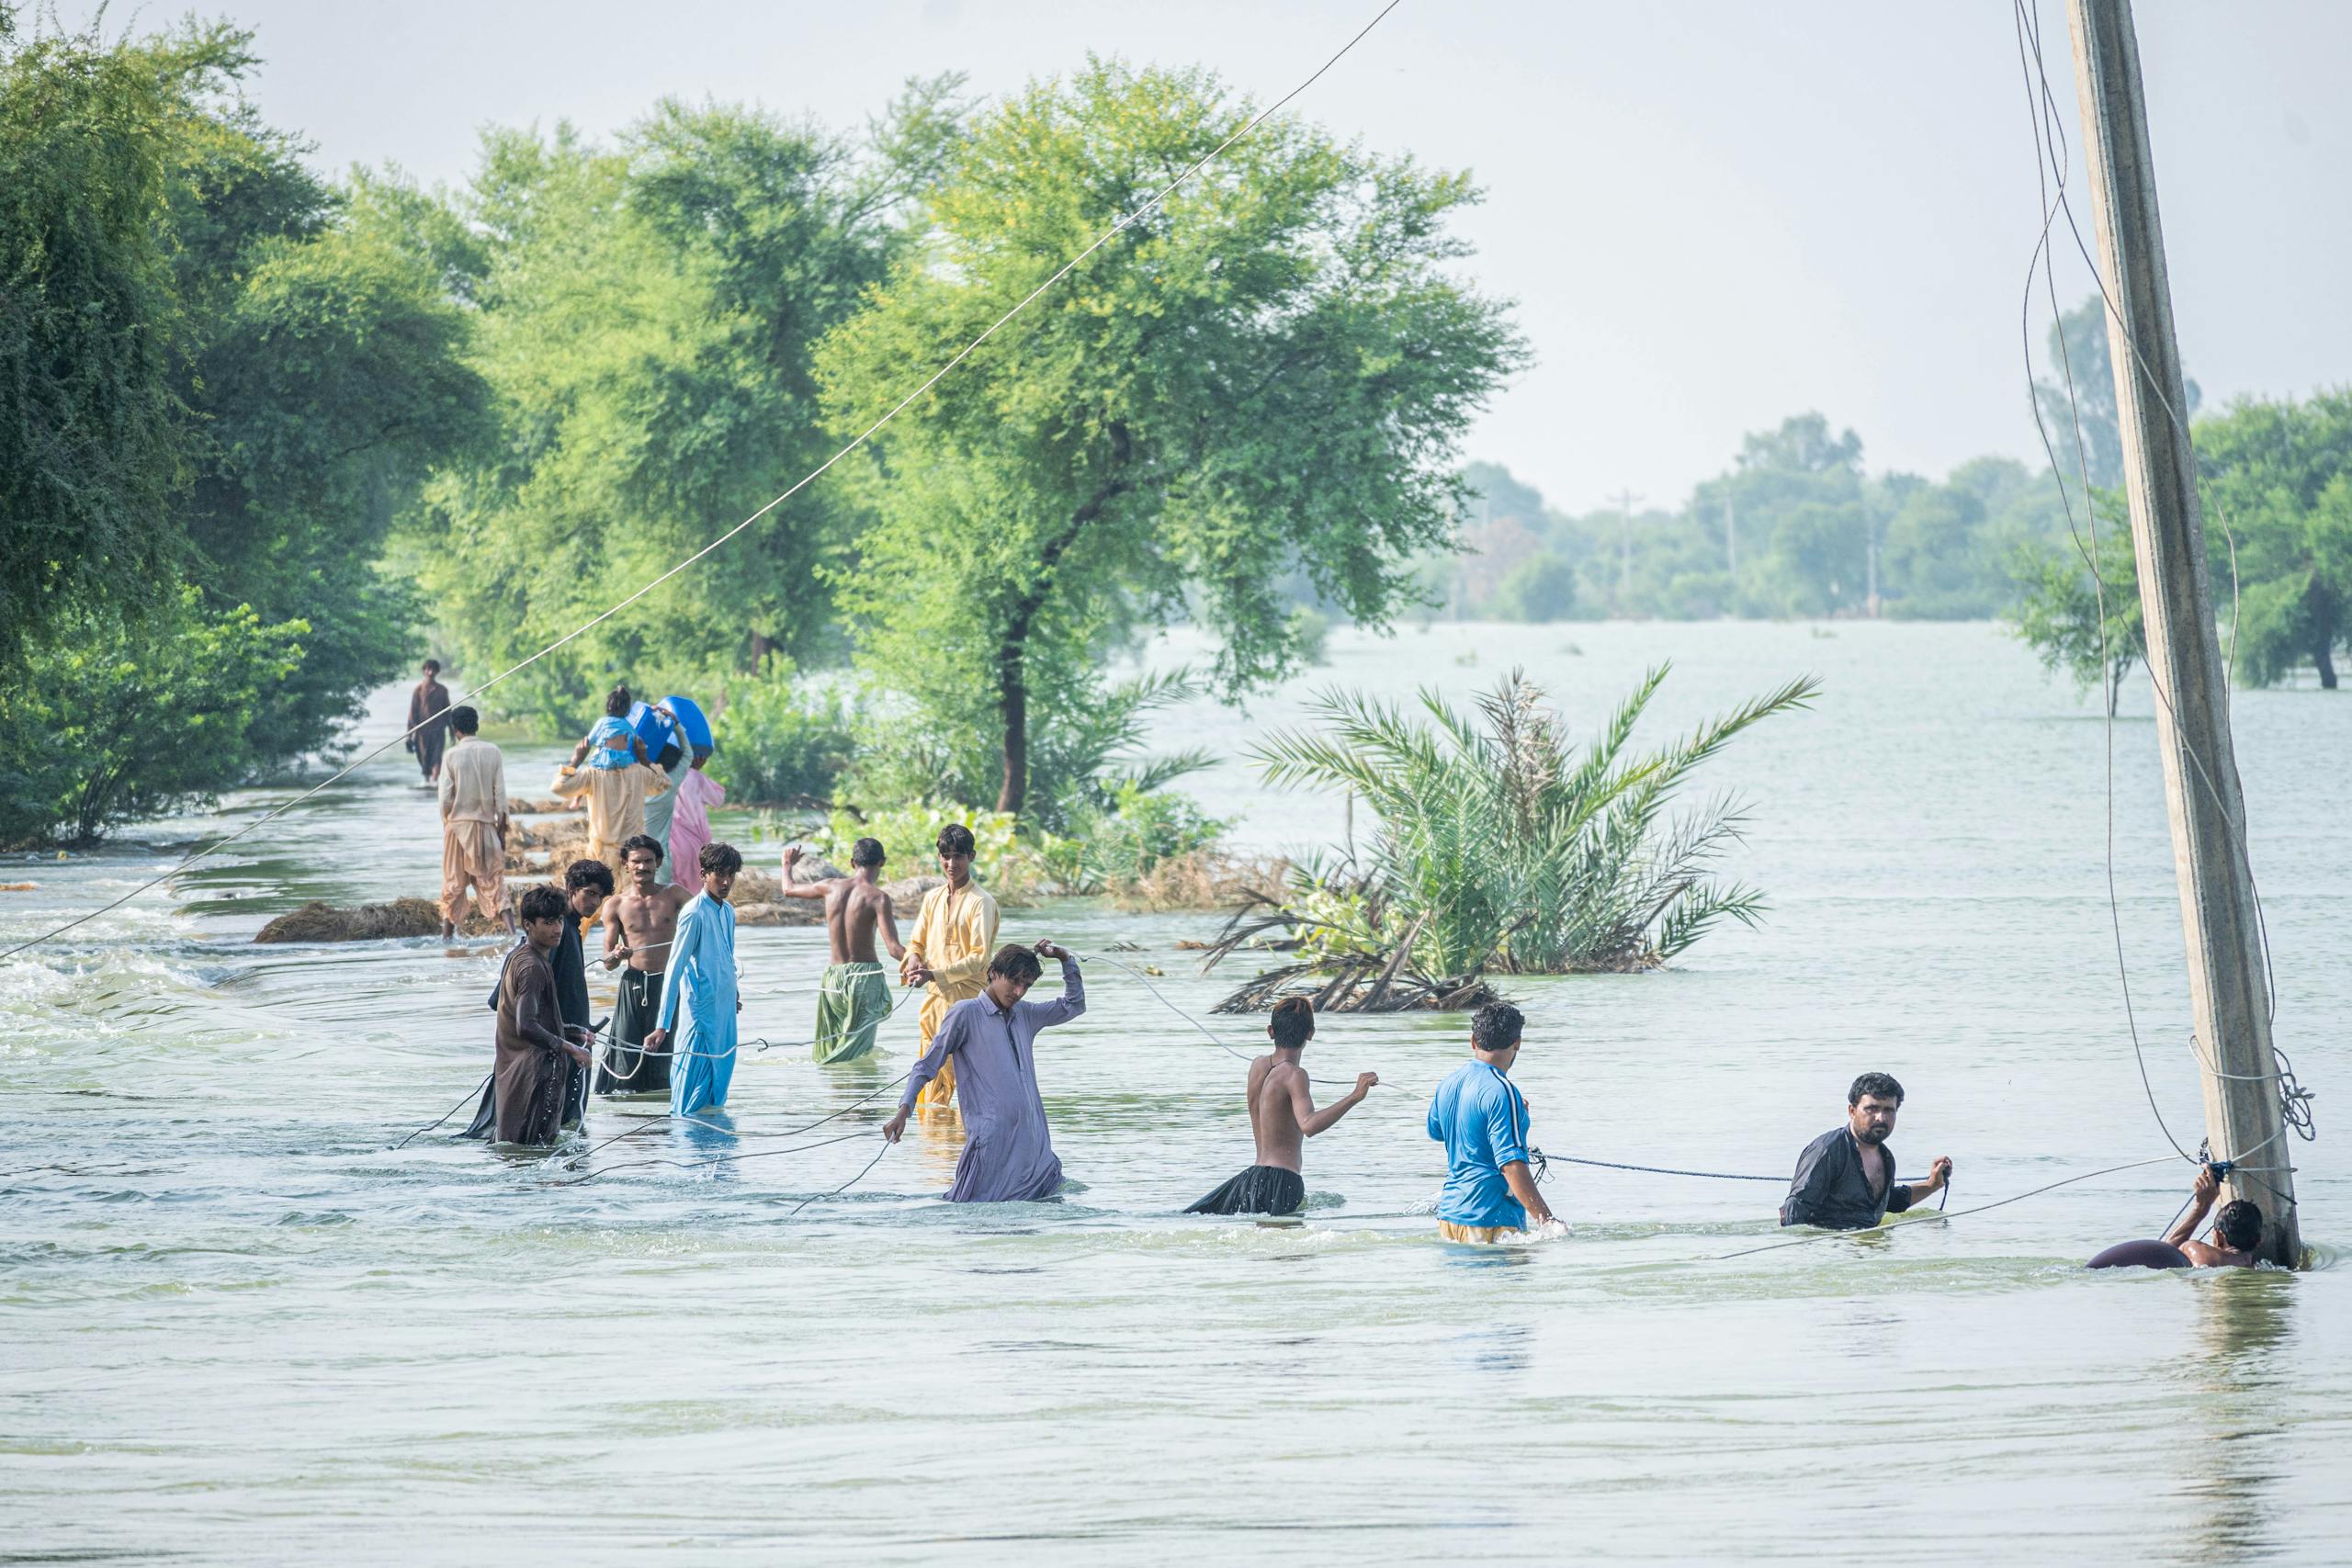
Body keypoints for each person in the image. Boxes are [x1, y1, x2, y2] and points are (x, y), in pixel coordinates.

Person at [882, 942, 1084, 1201]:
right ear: (993, 973)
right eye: (1014, 981)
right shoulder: (965, 1013)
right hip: (991, 1149)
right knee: (978, 1217)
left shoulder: (1025, 1014)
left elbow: (1074, 1004)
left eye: (1027, 985)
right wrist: (904, 1110)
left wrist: (1065, 958)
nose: (1019, 991)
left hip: (1033, 1148)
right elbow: (926, 1065)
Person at [1187, 997, 1376, 1216]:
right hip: (1282, 1180)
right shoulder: (1295, 1075)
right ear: (1310, 1034)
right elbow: (1309, 1125)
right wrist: (1355, 1096)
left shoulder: (1257, 1066)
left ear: (1270, 1031)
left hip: (1253, 1179)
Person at [465, 859, 612, 1137]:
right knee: (546, 1131)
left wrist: (575, 1030)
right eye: (590, 893)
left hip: (565, 1043)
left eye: (600, 897)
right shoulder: (547, 943)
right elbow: (503, 1002)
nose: (595, 903)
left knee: (550, 1130)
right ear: (571, 889)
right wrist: (563, 1039)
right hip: (550, 1053)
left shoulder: (567, 930)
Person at [1426, 1001, 1560, 1243]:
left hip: (1449, 1220)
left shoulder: (1448, 1083)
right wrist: (1547, 1221)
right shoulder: (1503, 1090)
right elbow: (1511, 1165)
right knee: (1514, 1281)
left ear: (1473, 1041)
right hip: (1490, 1219)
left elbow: (1436, 1131)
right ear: (1517, 1042)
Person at [482, 885, 594, 1147]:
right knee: (529, 1149)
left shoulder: (524, 956)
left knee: (521, 1150)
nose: (556, 929)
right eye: (547, 923)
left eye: (559, 921)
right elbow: (526, 1026)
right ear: (528, 925)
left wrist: (572, 1032)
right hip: (529, 1074)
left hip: (517, 1071)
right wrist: (571, 1049)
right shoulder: (532, 967)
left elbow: (535, 1019)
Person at [900, 824, 1000, 1110]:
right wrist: (915, 962)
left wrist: (935, 973)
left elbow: (980, 958)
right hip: (934, 1004)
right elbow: (916, 943)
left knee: (970, 1086)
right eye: (945, 856)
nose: (950, 864)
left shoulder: (982, 902)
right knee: (930, 1087)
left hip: (970, 1006)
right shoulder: (932, 898)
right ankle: (936, 1149)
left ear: (972, 856)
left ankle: (961, 1146)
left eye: (957, 856)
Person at [779, 839, 905, 1064]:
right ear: (882, 862)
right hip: (864, 980)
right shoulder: (878, 897)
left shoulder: (830, 886)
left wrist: (787, 864)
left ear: (852, 862)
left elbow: (788, 889)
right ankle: (858, 1093)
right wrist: (922, 964)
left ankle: (836, 1095)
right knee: (857, 1052)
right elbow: (894, 949)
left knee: (832, 1048)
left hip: (833, 980)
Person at [1780, 1071, 1953, 1230]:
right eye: (1872, 1109)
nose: (1881, 1118)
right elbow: (1794, 1208)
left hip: (1869, 1250)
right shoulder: (1827, 1151)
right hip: (1830, 1248)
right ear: (1852, 1111)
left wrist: (1933, 1184)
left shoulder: (1886, 1157)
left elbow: (1889, 1202)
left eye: (1889, 1110)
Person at [645, 841, 742, 1118]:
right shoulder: (693, 913)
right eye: (719, 875)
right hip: (700, 1016)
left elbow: (728, 957)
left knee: (718, 1088)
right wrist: (662, 1026)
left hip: (724, 1013)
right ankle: (687, 1150)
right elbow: (674, 969)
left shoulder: (728, 911)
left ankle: (717, 1154)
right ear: (703, 875)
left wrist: (734, 993)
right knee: (689, 1098)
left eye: (731, 875)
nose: (725, 882)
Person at [599, 834, 693, 1095]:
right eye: (637, 861)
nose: (643, 867)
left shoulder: (675, 895)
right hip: (634, 985)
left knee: (668, 1051)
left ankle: (667, 1105)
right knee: (626, 1054)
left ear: (658, 863)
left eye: (648, 861)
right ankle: (626, 1114)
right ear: (625, 865)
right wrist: (618, 954)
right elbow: (607, 962)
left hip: (669, 982)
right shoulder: (615, 904)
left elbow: (704, 924)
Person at [436, 705, 513, 940]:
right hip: (486, 827)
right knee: (495, 883)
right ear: (476, 725)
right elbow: (501, 798)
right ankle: (513, 934)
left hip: (457, 828)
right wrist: (501, 832)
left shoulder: (451, 755)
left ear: (455, 729)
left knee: (453, 886)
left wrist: (447, 825)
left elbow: (445, 799)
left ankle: (446, 940)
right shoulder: (493, 751)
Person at [638, 704, 693, 889]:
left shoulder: (634, 783)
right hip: (659, 860)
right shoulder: (671, 783)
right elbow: (688, 755)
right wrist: (676, 724)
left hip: (633, 859)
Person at [2165, 1164, 2264, 1267]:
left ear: (2219, 1236)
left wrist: (2200, 1209)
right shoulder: (2258, 1266)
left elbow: (2166, 1253)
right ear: (2259, 1240)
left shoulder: (2198, 1251)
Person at [666, 751, 725, 886]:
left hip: (668, 843)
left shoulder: (656, 776)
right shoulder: (694, 776)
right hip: (696, 844)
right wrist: (696, 772)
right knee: (696, 888)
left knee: (673, 887)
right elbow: (718, 800)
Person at [571, 683, 650, 771]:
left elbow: (588, 743)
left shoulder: (602, 722)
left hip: (605, 762)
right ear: (627, 709)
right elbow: (637, 741)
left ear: (608, 707)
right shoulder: (628, 726)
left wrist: (578, 756)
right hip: (624, 763)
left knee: (594, 753)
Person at [405, 660, 452, 784]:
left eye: (433, 669)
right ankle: (426, 781)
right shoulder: (418, 690)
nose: (430, 672)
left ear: (437, 672)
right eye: (428, 669)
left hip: (438, 730)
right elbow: (412, 713)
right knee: (424, 758)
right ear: (424, 671)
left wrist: (452, 730)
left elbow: (448, 711)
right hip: (422, 731)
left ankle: (435, 781)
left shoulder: (442, 690)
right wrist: (409, 735)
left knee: (437, 756)